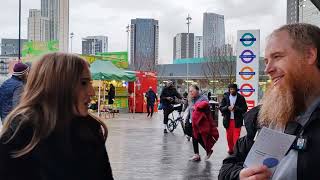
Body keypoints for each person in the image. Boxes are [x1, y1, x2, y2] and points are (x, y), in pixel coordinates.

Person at [219, 23, 320, 180]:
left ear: (309, 55)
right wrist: (239, 176)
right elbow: (228, 166)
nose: (267, 69)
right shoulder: (265, 116)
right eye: (266, 61)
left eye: (277, 57)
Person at [0, 53, 114, 180]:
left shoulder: (90, 127)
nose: (92, 92)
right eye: (83, 83)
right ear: (58, 86)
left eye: (90, 82)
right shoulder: (21, 132)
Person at [186, 85, 219, 161]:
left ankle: (208, 150)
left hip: (201, 122)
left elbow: (206, 105)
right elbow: (189, 109)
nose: (190, 93)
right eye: (189, 91)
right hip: (192, 121)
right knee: (194, 137)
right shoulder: (190, 98)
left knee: (200, 138)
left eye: (192, 91)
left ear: (197, 90)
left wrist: (197, 107)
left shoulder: (203, 98)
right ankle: (197, 154)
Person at [219, 83, 248, 155]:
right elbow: (221, 108)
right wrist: (227, 108)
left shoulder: (241, 98)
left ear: (236, 90)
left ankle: (236, 150)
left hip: (237, 120)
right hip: (228, 120)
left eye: (233, 89)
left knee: (236, 137)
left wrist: (236, 108)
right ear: (229, 90)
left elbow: (245, 109)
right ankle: (231, 149)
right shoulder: (225, 97)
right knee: (229, 137)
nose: (232, 91)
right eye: (230, 89)